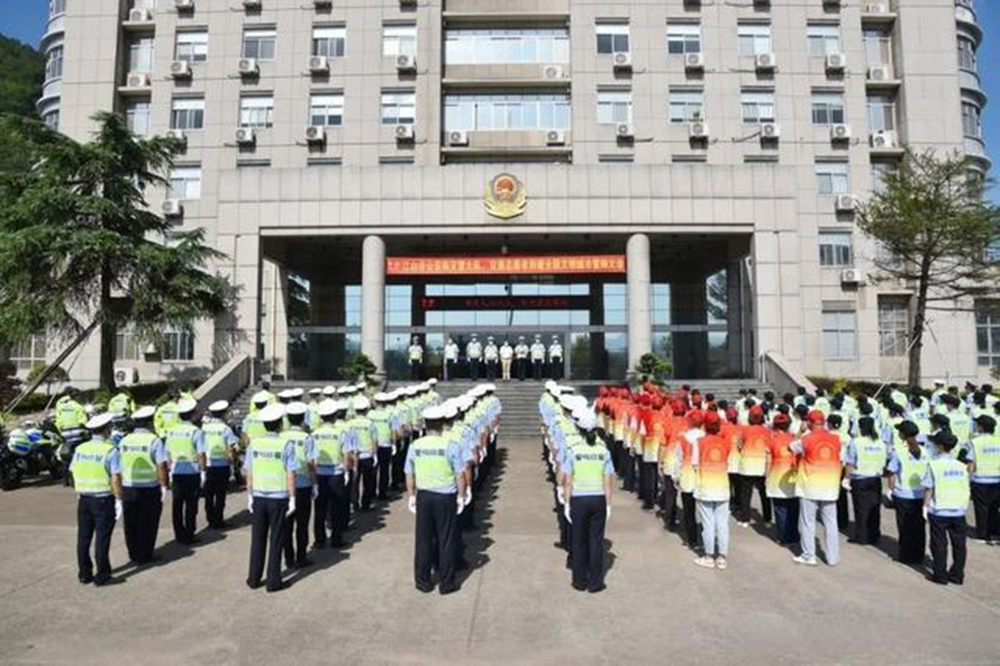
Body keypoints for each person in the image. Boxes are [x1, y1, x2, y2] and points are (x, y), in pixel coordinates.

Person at [405, 404, 467, 595]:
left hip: (424, 495)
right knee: (446, 540)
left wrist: (411, 495)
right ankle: (446, 583)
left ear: (425, 424)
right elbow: (460, 474)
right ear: (441, 425)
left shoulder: (416, 445)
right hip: (445, 496)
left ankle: (423, 581)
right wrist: (461, 496)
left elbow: (409, 472)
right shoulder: (450, 445)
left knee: (423, 539)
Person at [245, 404, 298, 592]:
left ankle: (253, 578)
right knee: (276, 539)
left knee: (257, 538)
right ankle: (273, 581)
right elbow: (290, 473)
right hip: (279, 497)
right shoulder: (286, 445)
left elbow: (249, 471)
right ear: (280, 424)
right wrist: (293, 497)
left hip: (258, 496)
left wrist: (249, 494)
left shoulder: (254, 444)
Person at [562, 408, 614, 592]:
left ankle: (579, 580)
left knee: (579, 540)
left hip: (578, 499)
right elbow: (607, 481)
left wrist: (567, 503)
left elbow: (568, 480)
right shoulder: (603, 450)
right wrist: (608, 504)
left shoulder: (574, 450)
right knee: (596, 541)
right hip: (598, 498)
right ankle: (595, 582)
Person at [72, 412, 123, 586]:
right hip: (103, 498)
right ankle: (103, 574)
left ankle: (84, 573)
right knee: (102, 538)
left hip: (84, 498)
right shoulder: (109, 450)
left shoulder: (80, 449)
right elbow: (115, 478)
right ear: (107, 430)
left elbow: (73, 471)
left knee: (84, 537)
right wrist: (119, 499)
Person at [118, 406, 168, 565]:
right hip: (149, 488)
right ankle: (146, 554)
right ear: (149, 422)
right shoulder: (154, 440)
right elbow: (161, 466)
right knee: (148, 522)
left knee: (131, 522)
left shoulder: (124, 440)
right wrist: (164, 485)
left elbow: (120, 464)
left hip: (128, 486)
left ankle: (133, 554)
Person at [792, 410, 842, 566]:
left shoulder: (806, 439)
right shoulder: (836, 439)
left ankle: (809, 555)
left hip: (810, 487)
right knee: (831, 523)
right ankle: (832, 557)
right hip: (830, 486)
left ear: (809, 423)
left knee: (808, 522)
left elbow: (791, 447)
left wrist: (800, 431)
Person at [924, 430, 970, 585]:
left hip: (939, 509)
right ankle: (957, 575)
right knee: (959, 545)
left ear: (940, 446)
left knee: (939, 543)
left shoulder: (934, 465)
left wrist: (925, 505)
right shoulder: (961, 466)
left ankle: (940, 575)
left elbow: (929, 488)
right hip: (958, 509)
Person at [691, 412, 732, 570]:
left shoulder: (699, 442)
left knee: (707, 522)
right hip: (722, 486)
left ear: (704, 425)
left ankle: (708, 556)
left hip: (705, 486)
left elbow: (694, 464)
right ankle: (722, 557)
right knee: (722, 523)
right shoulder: (725, 443)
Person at [886, 420, 929, 565]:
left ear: (903, 435)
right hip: (921, 494)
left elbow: (892, 473)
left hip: (904, 494)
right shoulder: (926, 451)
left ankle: (906, 556)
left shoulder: (900, 452)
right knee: (919, 527)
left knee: (905, 527)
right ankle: (918, 556)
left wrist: (890, 490)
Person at [312, 399, 353, 548]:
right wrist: (347, 471)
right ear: (335, 415)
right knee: (337, 507)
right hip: (336, 473)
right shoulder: (340, 432)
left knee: (319, 509)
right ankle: (336, 539)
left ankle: (319, 539)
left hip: (319, 474)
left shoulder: (315, 433)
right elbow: (346, 454)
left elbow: (311, 456)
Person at [280, 402, 316, 569]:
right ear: (302, 420)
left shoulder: (281, 437)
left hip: (285, 486)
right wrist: (314, 483)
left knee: (286, 525)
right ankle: (301, 557)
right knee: (302, 524)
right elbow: (310, 463)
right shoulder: (307, 438)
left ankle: (288, 558)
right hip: (303, 485)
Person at [164, 399, 205, 545]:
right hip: (192, 472)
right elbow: (201, 454)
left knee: (177, 504)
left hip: (176, 472)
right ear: (193, 414)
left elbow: (167, 454)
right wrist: (203, 472)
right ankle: (189, 534)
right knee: (191, 505)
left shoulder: (172, 431)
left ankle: (179, 534)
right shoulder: (196, 431)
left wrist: (169, 471)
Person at [843, 416, 887, 545]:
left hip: (860, 478)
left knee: (861, 509)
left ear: (861, 427)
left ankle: (862, 536)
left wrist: (846, 478)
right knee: (874, 508)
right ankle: (874, 534)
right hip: (875, 478)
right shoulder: (880, 442)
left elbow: (850, 462)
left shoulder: (856, 442)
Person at [201, 400, 238, 530]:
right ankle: (218, 520)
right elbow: (232, 447)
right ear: (224, 413)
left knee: (209, 494)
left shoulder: (204, 428)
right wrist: (234, 461)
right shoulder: (225, 429)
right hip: (222, 465)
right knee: (220, 495)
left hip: (209, 464)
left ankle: (210, 520)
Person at [765, 413, 799, 546]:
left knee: (780, 509)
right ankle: (794, 535)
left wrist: (766, 477)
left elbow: (768, 462)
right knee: (793, 509)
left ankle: (783, 537)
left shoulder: (771, 441)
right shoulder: (795, 439)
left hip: (776, 478)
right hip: (793, 478)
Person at [966, 414, 1000, 544]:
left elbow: (971, 464)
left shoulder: (975, 442)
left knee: (981, 508)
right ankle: (995, 533)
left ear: (981, 427)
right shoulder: (998, 441)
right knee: (994, 508)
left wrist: (967, 481)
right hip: (997, 479)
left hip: (980, 480)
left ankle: (982, 534)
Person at [736, 406, 771, 528]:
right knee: (764, 494)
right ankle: (767, 518)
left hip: (747, 465)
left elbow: (739, 445)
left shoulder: (745, 430)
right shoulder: (767, 431)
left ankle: (745, 519)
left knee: (745, 494)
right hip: (762, 465)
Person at [347, 396, 377, 511]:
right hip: (367, 454)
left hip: (353, 455)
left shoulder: (349, 423)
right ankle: (366, 504)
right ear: (366, 409)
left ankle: (354, 503)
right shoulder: (370, 423)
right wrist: (375, 454)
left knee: (354, 480)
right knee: (367, 481)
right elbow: (374, 440)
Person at [55, 390, 88, 486]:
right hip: (77, 434)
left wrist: (62, 431)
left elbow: (58, 421)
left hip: (66, 434)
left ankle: (65, 481)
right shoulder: (78, 407)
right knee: (80, 455)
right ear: (76, 397)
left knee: (66, 457)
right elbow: (83, 421)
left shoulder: (61, 407)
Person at [370, 392, 397, 501]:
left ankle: (371, 493)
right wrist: (394, 443)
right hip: (385, 444)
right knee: (384, 470)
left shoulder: (370, 414)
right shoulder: (389, 414)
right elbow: (393, 431)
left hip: (372, 445)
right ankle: (382, 492)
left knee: (373, 471)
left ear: (376, 402)